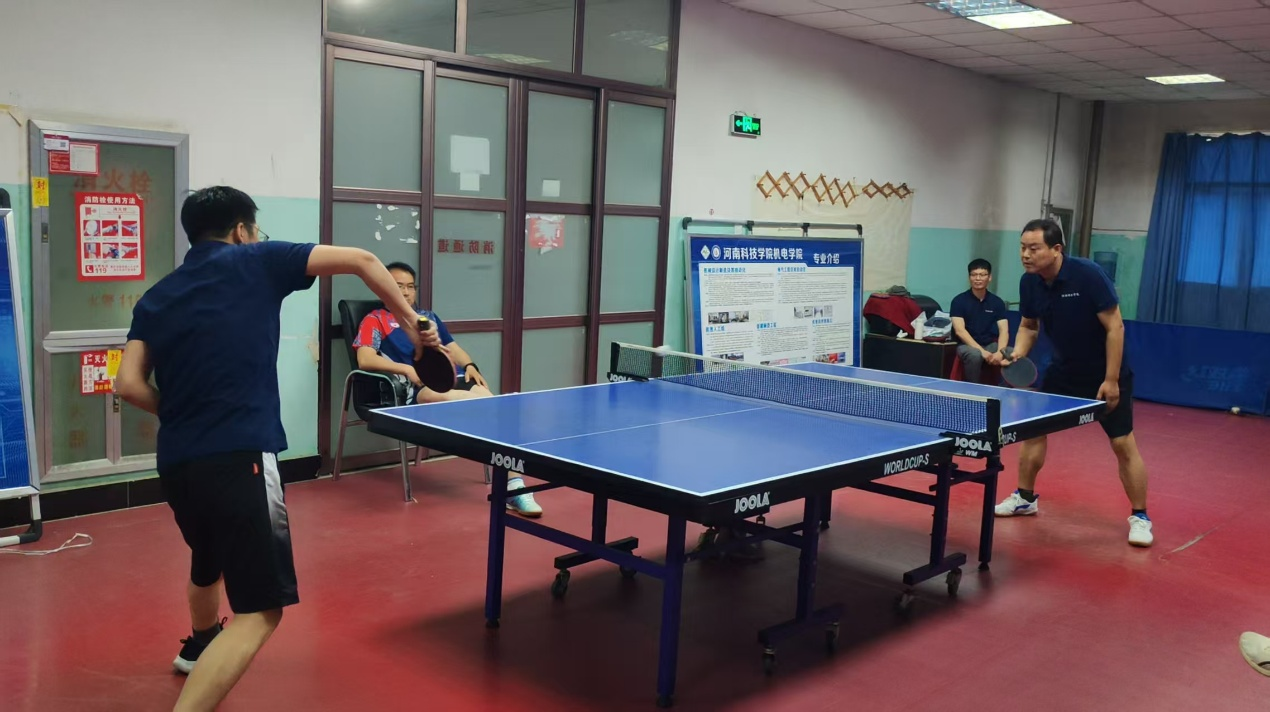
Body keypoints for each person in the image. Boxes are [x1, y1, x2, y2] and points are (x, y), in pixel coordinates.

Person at [114, 186, 440, 711]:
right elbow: (362, 260)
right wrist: (409, 321)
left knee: (207, 556)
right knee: (261, 611)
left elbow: (129, 385)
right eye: (256, 229)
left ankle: (199, 645)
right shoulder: (258, 260)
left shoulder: (157, 295)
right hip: (240, 453)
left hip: (176, 461)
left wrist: (180, 413)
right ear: (242, 230)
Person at [994, 218, 1153, 548]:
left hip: (1104, 371)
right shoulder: (1029, 282)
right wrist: (1018, 353)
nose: (1025, 254)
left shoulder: (1088, 275)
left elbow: (1115, 327)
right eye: (1022, 248)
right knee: (1034, 430)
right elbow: (1029, 325)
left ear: (1056, 249)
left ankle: (1140, 517)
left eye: (1033, 248)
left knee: (1122, 443)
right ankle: (1025, 497)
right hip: (1063, 371)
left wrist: (1111, 380)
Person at [351, 261, 542, 518]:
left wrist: (470, 365)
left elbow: (452, 347)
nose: (405, 292)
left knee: (490, 404)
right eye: (398, 286)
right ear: (385, 288)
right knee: (488, 410)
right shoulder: (375, 320)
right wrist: (406, 369)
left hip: (453, 378)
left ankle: (514, 484)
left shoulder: (427, 318)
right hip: (418, 389)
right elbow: (365, 359)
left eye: (410, 286)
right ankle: (515, 486)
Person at [950, 258, 1010, 382]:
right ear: (969, 277)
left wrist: (1000, 352)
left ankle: (1002, 389)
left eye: (982, 275)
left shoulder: (997, 302)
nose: (978, 278)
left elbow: (1004, 331)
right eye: (974, 275)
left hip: (989, 344)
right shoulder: (958, 301)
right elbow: (960, 331)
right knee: (975, 355)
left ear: (989, 277)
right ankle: (972, 389)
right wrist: (981, 351)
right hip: (966, 345)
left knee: (1011, 353)